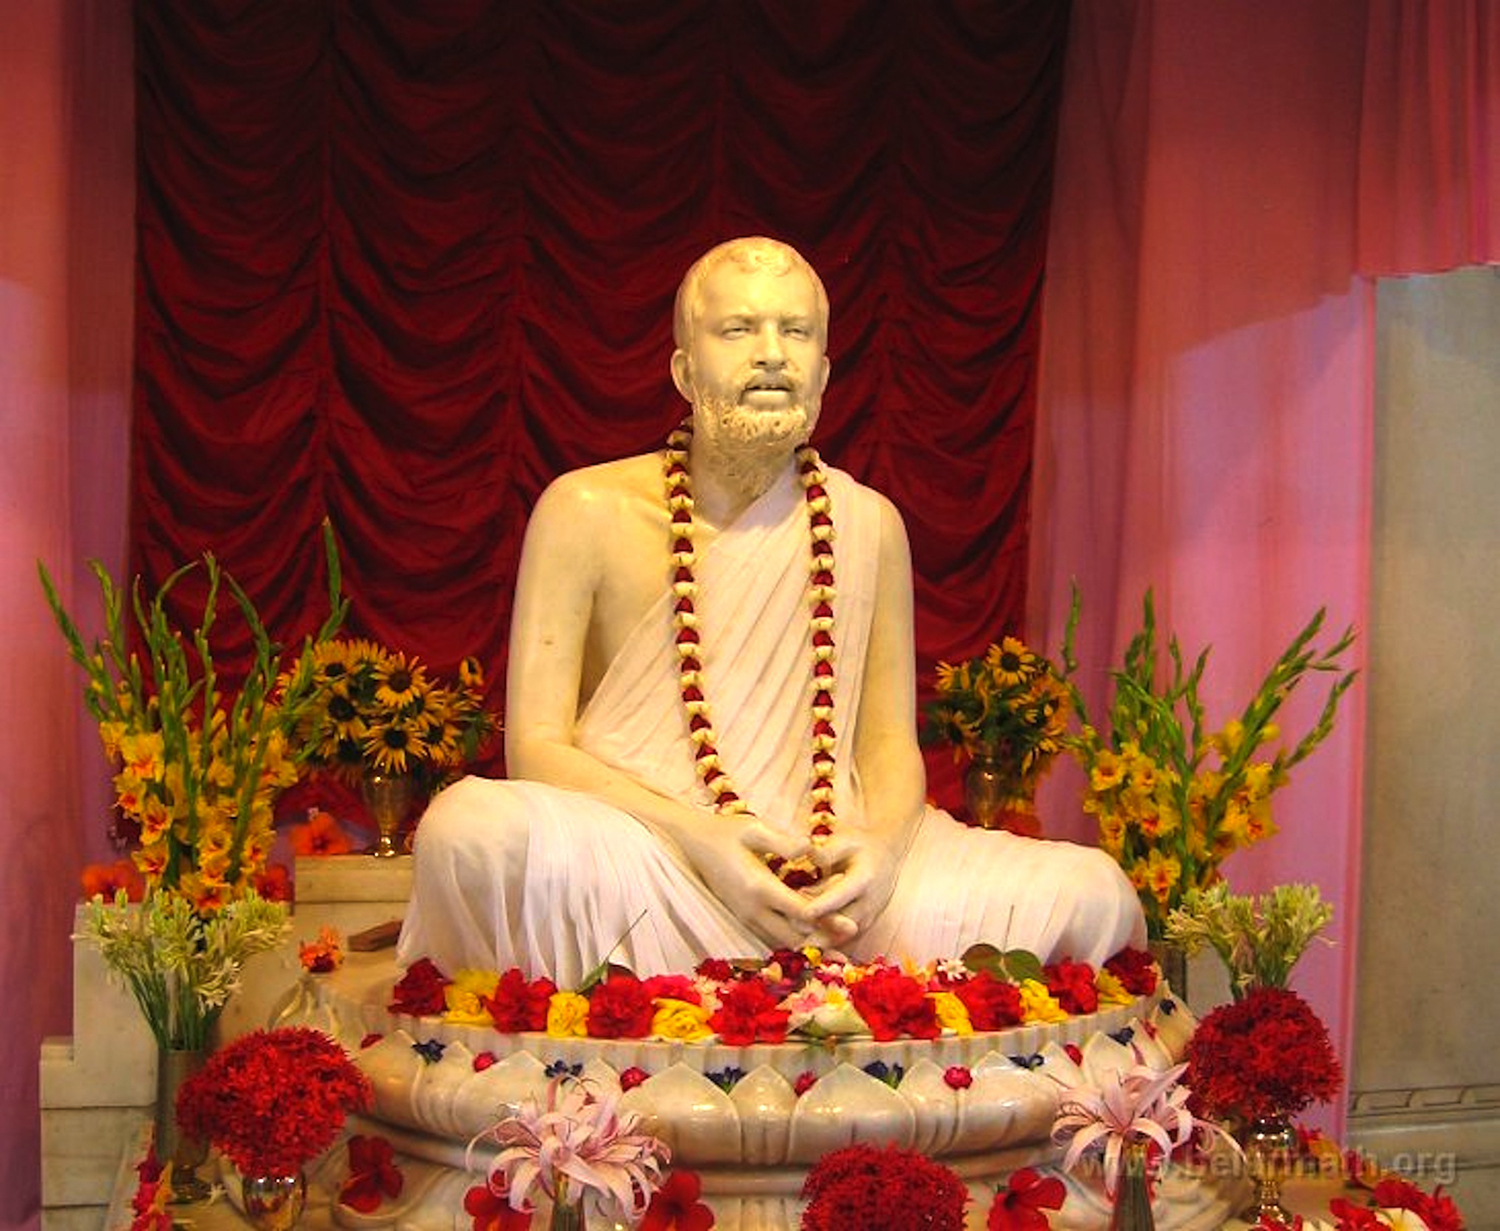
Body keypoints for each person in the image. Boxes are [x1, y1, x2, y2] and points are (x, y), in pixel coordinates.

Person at [397, 237, 1144, 986]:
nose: (771, 354)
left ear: (822, 371)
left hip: (833, 875)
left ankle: (760, 964)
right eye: (738, 330)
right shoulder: (584, 509)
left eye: (795, 331)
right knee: (468, 834)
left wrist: (878, 855)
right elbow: (535, 747)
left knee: (1094, 894)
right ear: (685, 371)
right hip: (650, 860)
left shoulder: (867, 523)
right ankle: (746, 971)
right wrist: (705, 843)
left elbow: (886, 749)